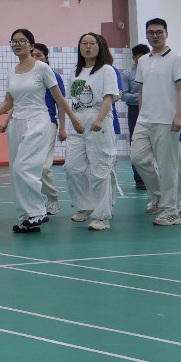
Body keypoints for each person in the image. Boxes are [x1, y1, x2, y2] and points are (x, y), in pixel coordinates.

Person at [0, 28, 83, 234]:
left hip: (38, 120)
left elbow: (59, 98)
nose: (17, 44)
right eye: (14, 41)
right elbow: (9, 102)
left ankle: (37, 212)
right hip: (17, 123)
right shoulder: (11, 71)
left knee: (24, 167)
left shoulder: (42, 68)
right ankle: (26, 216)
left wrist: (74, 120)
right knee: (15, 171)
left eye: (22, 41)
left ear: (31, 45)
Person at [133, 19, 181, 226]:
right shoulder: (143, 61)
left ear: (166, 33)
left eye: (159, 32)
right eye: (151, 32)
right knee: (138, 158)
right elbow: (142, 90)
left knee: (168, 167)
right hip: (145, 119)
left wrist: (178, 116)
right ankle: (159, 197)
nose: (155, 36)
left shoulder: (177, 58)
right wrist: (141, 114)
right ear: (146, 35)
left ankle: (170, 211)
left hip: (166, 120)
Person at [66, 33, 120, 231]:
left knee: (100, 169)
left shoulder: (107, 70)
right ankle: (86, 206)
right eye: (84, 43)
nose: (87, 46)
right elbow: (71, 100)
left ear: (100, 46)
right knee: (72, 167)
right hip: (78, 121)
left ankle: (102, 215)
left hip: (99, 119)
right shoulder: (75, 72)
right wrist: (73, 121)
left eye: (92, 43)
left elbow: (109, 97)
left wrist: (99, 119)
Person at [32, 43, 67, 217]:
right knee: (29, 167)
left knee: (44, 166)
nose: (35, 59)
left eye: (39, 55)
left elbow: (61, 103)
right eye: (33, 55)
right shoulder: (24, 76)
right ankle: (36, 202)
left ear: (46, 58)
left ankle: (53, 198)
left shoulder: (53, 76)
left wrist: (63, 128)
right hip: (27, 124)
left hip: (48, 123)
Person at [119, 44, 149, 190]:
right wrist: (143, 96)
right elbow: (123, 96)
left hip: (153, 110)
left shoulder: (152, 71)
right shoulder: (127, 74)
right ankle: (139, 179)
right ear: (134, 58)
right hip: (135, 111)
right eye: (140, 57)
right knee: (136, 143)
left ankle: (155, 176)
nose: (143, 60)